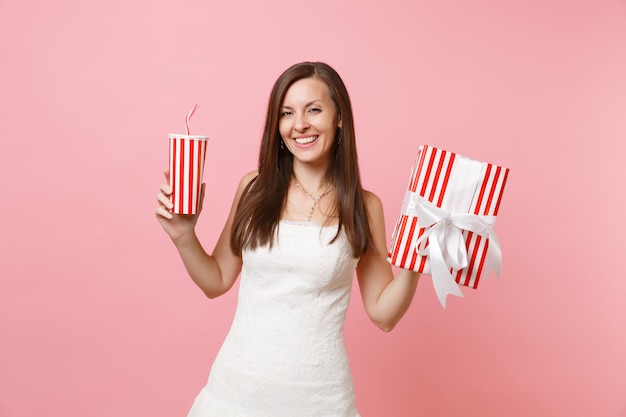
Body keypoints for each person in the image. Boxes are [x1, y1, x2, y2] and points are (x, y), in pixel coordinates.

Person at [156, 61, 420, 417]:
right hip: (236, 393)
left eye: (314, 109)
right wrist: (183, 235)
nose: (300, 125)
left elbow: (383, 315)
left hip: (321, 400)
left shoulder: (364, 205)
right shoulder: (253, 188)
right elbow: (216, 280)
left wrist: (418, 262)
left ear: (339, 116)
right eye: (286, 113)